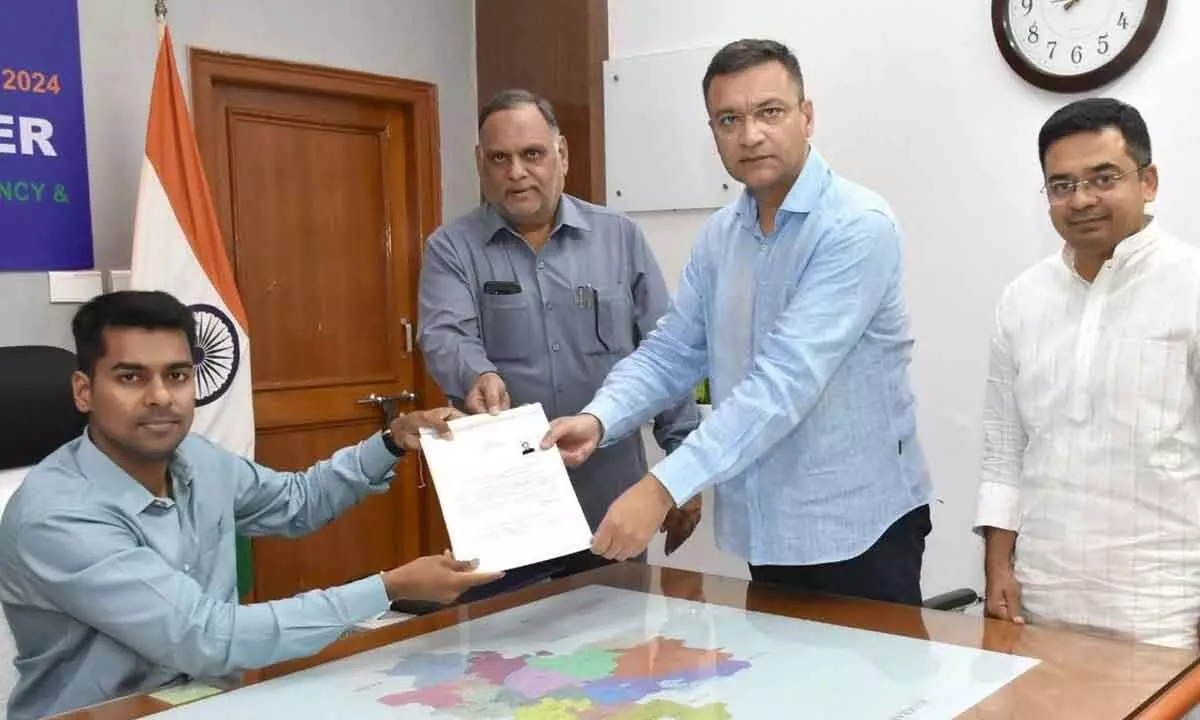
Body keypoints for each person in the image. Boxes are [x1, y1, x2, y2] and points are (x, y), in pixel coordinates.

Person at [542, 39, 933, 605]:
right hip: (768, 529)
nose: (750, 135)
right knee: (781, 691)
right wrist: (600, 418)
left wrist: (662, 486)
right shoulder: (721, 236)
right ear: (714, 132)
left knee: (870, 695)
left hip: (859, 531)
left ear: (807, 117)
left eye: (769, 112)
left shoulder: (856, 226)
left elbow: (783, 384)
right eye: (730, 119)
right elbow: (672, 351)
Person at [0, 290, 501, 720]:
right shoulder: (55, 515)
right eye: (131, 378)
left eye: (177, 376)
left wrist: (391, 442)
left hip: (215, 701)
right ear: (84, 391)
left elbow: (296, 502)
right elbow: (208, 636)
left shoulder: (194, 456)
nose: (160, 397)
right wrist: (387, 589)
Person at [417, 89, 702, 576]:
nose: (517, 172)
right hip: (503, 505)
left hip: (611, 502)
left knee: (619, 643)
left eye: (532, 154)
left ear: (561, 155)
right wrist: (476, 373)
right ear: (480, 164)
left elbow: (664, 353)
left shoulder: (619, 237)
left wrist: (684, 472)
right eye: (499, 158)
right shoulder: (451, 248)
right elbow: (445, 334)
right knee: (504, 643)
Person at [975, 98, 1200, 649]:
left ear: (1148, 182)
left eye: (1104, 178)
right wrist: (998, 568)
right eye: (1061, 185)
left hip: (1164, 606)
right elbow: (1005, 450)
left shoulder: (1191, 286)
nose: (1081, 200)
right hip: (1042, 596)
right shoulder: (1022, 300)